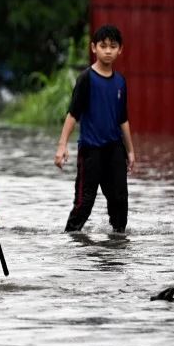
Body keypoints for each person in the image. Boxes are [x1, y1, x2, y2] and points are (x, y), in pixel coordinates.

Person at [54, 24, 135, 233]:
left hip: (115, 149)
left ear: (120, 50)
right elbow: (73, 115)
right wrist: (62, 146)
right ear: (94, 48)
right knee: (84, 202)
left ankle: (117, 241)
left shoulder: (120, 82)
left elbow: (122, 119)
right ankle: (71, 236)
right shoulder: (86, 79)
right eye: (103, 46)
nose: (108, 50)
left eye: (113, 46)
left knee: (120, 200)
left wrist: (131, 150)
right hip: (91, 150)